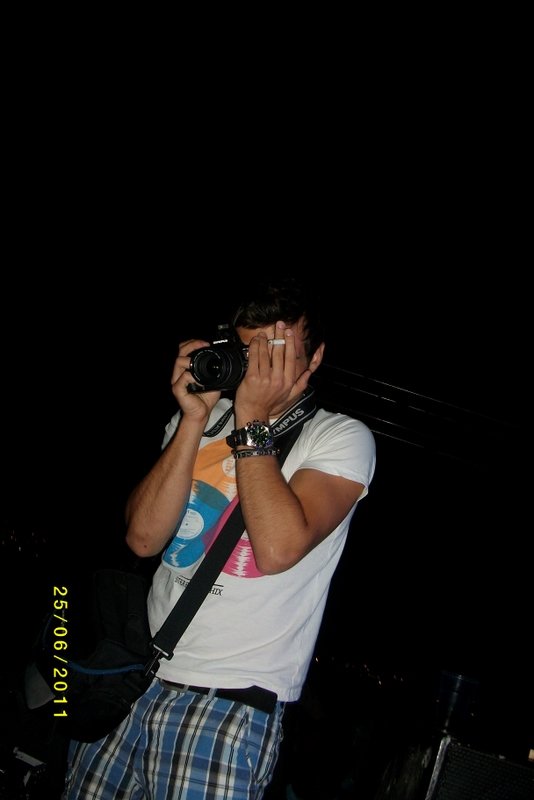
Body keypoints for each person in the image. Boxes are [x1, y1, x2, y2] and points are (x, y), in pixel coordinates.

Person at [62, 278, 376, 799]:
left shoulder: (339, 436)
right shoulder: (207, 419)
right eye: (251, 352)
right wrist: (193, 420)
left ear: (316, 357)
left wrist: (251, 419)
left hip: (228, 703)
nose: (262, 369)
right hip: (134, 678)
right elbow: (143, 539)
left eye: (279, 353)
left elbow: (277, 549)